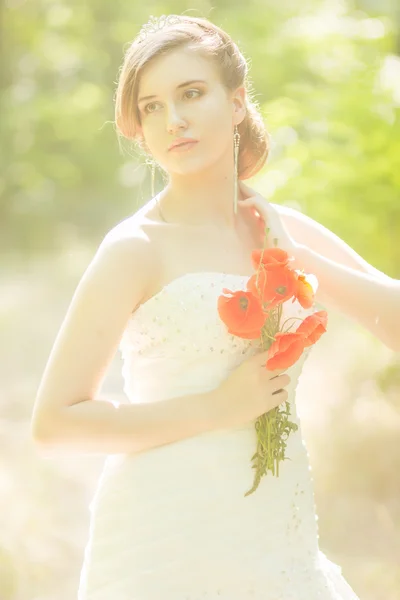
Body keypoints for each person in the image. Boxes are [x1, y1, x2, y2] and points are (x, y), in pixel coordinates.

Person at [30, 14, 398, 599]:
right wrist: (218, 407)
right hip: (164, 540)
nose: (172, 120)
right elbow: (54, 422)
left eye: (191, 94)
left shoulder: (280, 228)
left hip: (277, 536)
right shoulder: (135, 249)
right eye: (151, 106)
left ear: (236, 102)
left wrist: (299, 258)